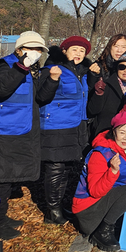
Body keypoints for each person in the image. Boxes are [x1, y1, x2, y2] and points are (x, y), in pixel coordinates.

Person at [0, 31, 57, 240]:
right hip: (3, 132)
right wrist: (21, 66)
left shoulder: (32, 71)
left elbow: (40, 99)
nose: (35, 52)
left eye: (38, 49)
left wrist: (52, 81)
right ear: (19, 49)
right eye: (30, 48)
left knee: (8, 177)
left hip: (21, 131)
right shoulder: (6, 65)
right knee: (0, 178)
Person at [39, 36, 93, 225]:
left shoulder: (81, 72)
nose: (78, 53)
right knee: (55, 168)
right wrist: (53, 79)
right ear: (64, 51)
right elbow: (42, 96)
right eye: (74, 49)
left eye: (82, 51)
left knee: (66, 168)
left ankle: (59, 206)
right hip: (56, 126)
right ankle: (52, 210)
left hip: (75, 126)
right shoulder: (53, 69)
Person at [73, 112, 126, 252]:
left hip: (100, 205)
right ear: (113, 132)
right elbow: (95, 191)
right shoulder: (100, 154)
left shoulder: (122, 150)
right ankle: (102, 231)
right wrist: (113, 172)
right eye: (122, 132)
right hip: (88, 212)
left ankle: (110, 223)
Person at [87, 50, 126, 141]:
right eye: (122, 67)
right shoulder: (106, 85)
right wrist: (98, 94)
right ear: (117, 68)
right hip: (104, 136)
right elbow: (92, 111)